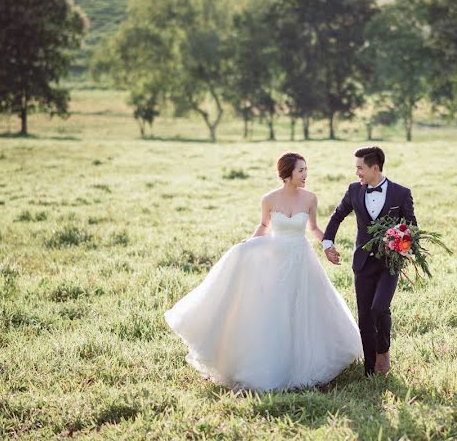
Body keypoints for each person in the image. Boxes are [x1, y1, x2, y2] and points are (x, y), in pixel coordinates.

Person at [164, 152, 363, 391]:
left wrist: (328, 246)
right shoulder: (269, 199)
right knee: (274, 311)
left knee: (305, 309)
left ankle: (307, 365)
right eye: (301, 171)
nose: (305, 175)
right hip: (275, 260)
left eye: (306, 170)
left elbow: (313, 227)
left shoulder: (310, 198)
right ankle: (270, 363)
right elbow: (264, 225)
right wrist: (249, 244)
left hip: (302, 260)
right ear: (287, 174)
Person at [321, 146, 417, 376]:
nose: (357, 173)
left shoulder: (400, 193)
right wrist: (327, 243)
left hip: (389, 262)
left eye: (360, 168)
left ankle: (383, 352)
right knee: (364, 315)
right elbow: (337, 215)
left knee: (380, 308)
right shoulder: (354, 191)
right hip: (363, 263)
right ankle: (370, 369)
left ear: (375, 168)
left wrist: (398, 240)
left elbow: (412, 226)